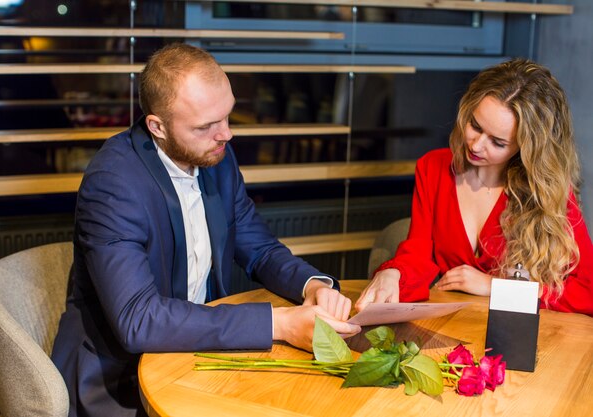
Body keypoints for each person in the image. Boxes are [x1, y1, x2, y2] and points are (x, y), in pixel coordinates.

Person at [51, 43, 361, 417]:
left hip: (197, 354)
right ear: (157, 127)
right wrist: (279, 323)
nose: (226, 135)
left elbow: (258, 247)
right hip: (119, 380)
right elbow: (138, 320)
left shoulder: (214, 154)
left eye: (227, 116)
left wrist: (313, 285)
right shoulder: (114, 182)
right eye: (206, 126)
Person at [356, 58, 593, 316]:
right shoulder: (433, 168)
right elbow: (417, 253)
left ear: (526, 148)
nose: (477, 145)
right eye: (475, 126)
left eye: (498, 142)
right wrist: (393, 273)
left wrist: (496, 287)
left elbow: (587, 292)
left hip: (517, 337)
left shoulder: (546, 189)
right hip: (452, 329)